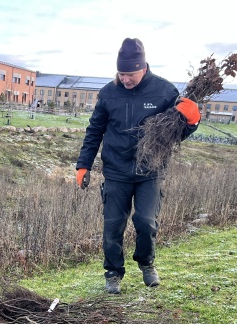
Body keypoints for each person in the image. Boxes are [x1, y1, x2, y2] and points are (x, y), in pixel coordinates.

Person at [75, 38, 201, 294]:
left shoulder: (165, 92)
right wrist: (83, 165)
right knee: (112, 225)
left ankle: (146, 263)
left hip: (150, 171)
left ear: (142, 68)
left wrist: (192, 122)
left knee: (145, 221)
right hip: (116, 171)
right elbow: (94, 130)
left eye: (130, 74)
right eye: (121, 74)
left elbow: (174, 133)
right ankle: (113, 273)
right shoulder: (108, 93)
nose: (125, 79)